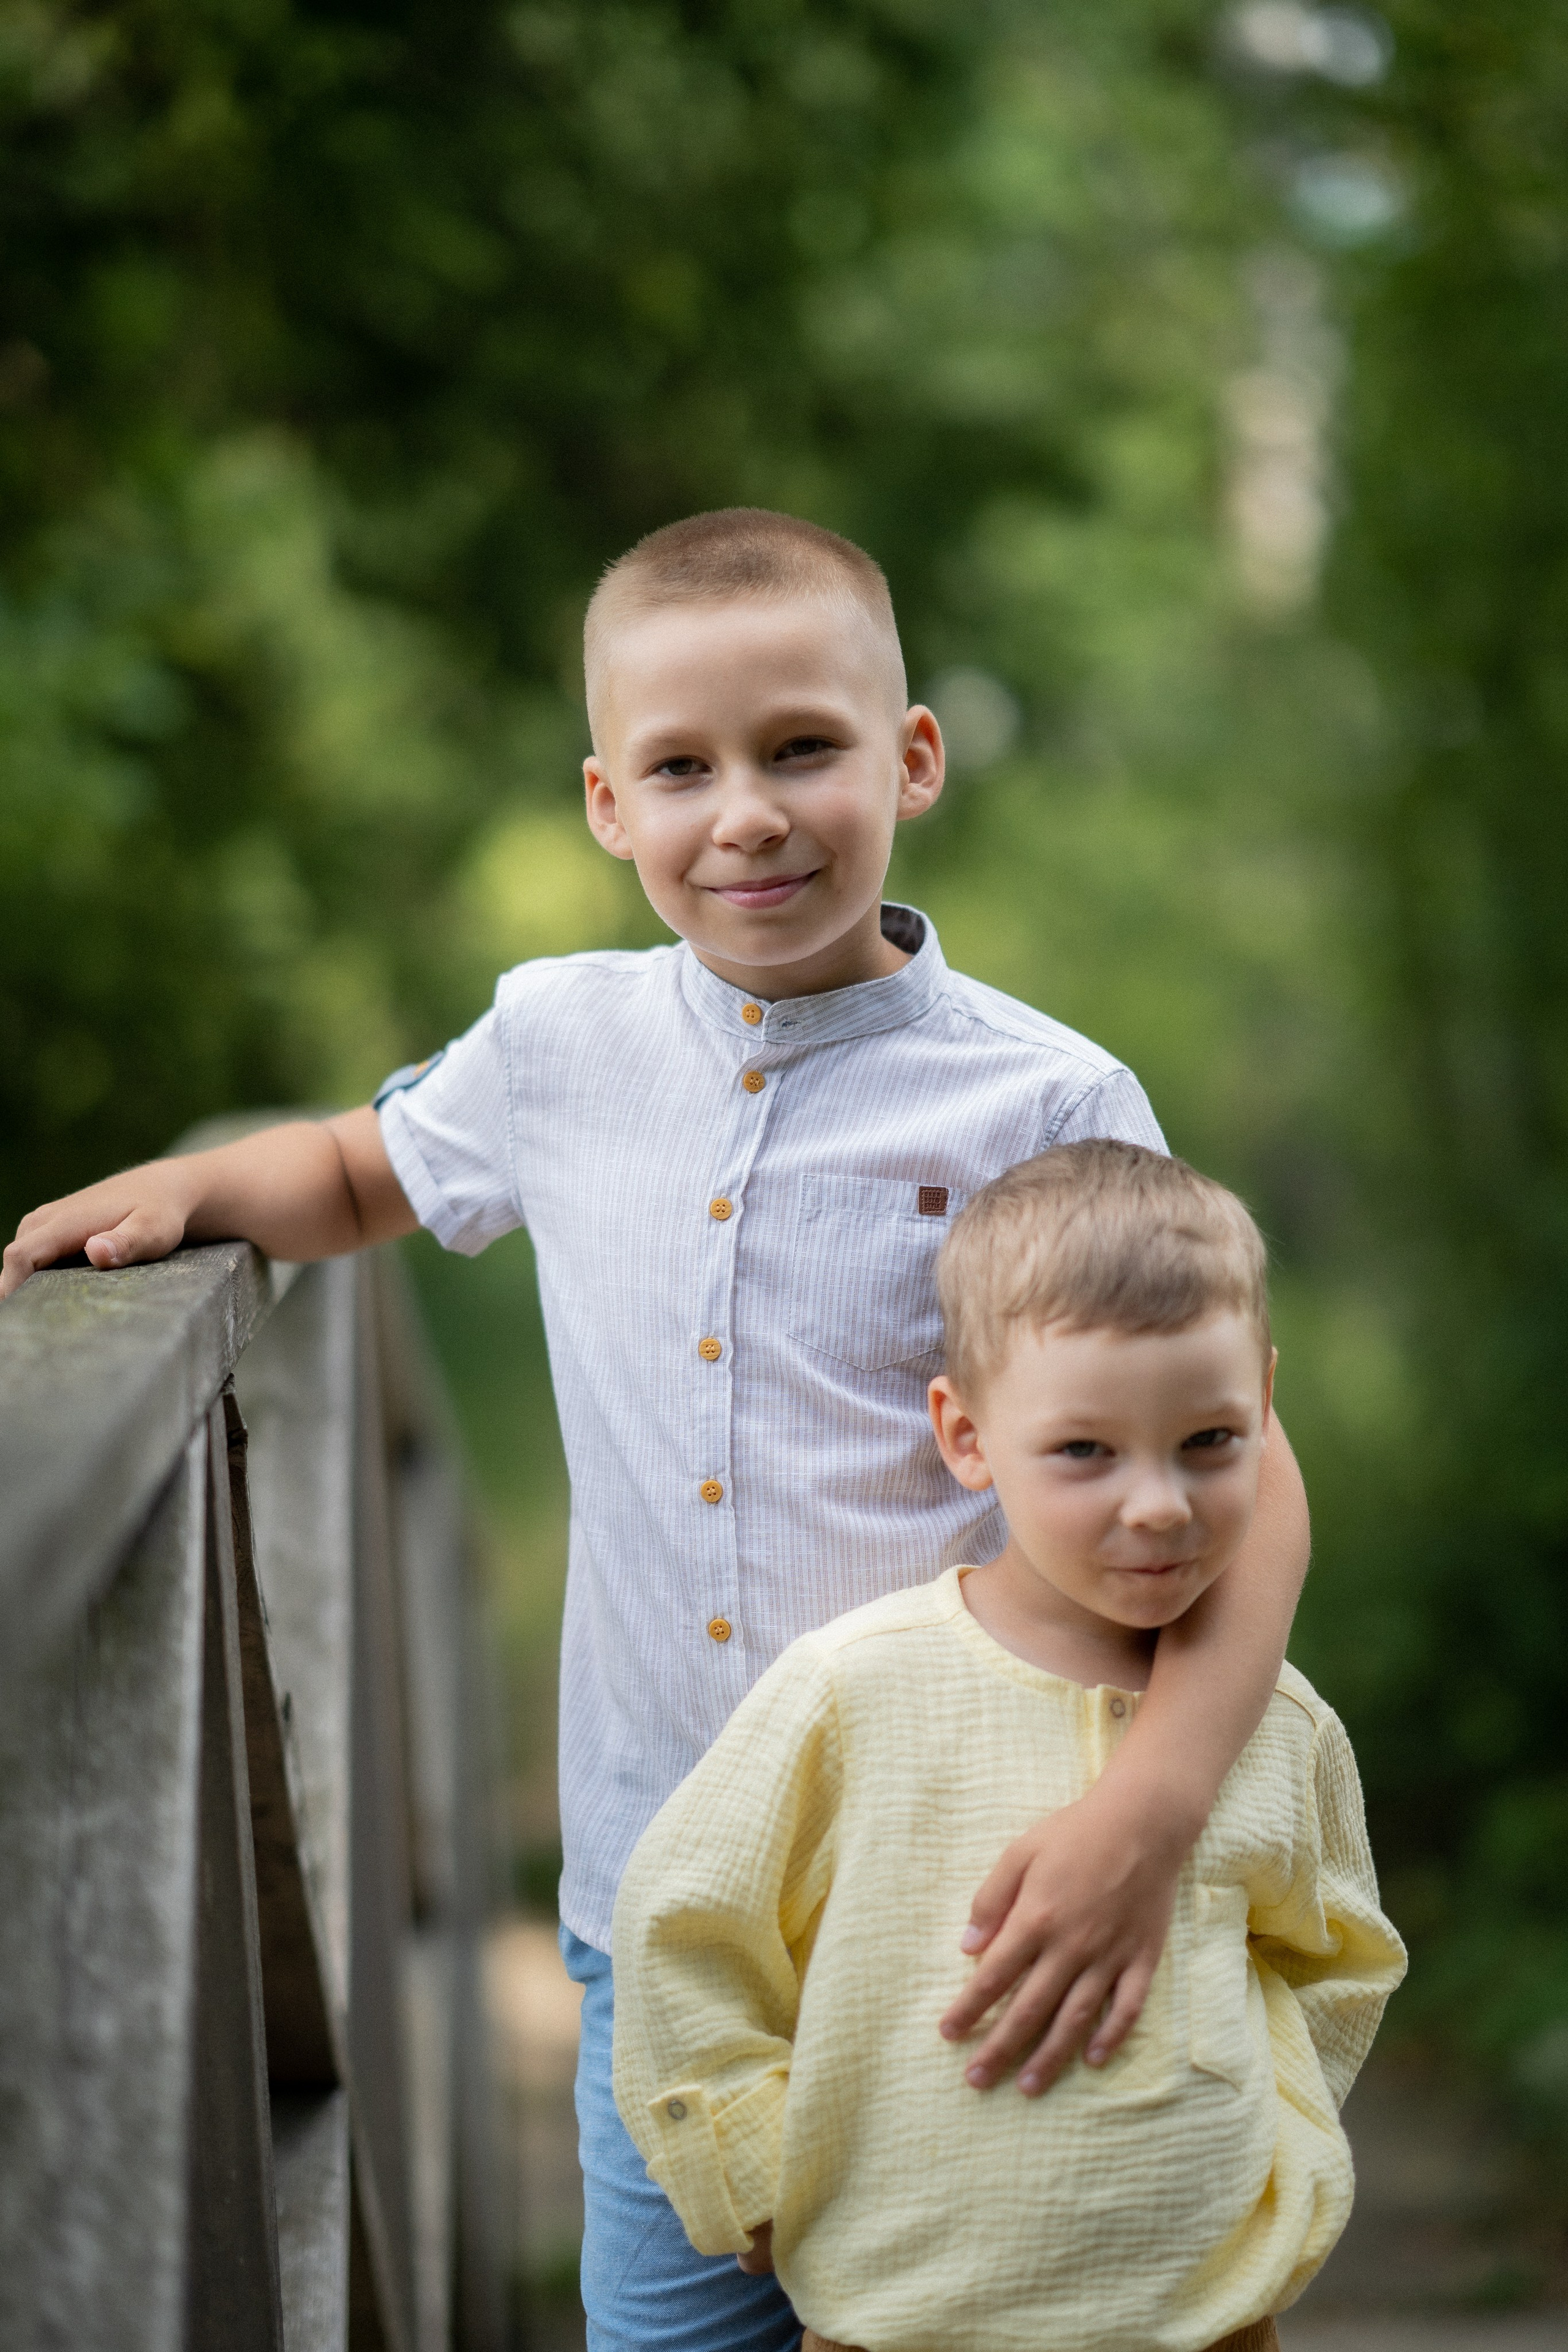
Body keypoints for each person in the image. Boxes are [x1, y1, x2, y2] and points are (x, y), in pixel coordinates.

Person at [2, 510, 1314, 2352]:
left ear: (910, 759)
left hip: (971, 1881)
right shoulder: (554, 1046)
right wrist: (187, 1195)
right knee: (679, 2329)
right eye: (682, 769)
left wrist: (1155, 1809)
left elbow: (1250, 1470)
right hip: (663, 1897)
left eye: (802, 749)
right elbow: (360, 1172)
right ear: (608, 805)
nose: (748, 814)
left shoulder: (1045, 1096)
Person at [612, 1141, 1405, 2352]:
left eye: (1207, 1441)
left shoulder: (1276, 1725)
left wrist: (1276, 2159)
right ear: (965, 1433)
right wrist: (758, 2173)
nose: (1156, 1504)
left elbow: (1335, 1956)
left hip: (1202, 2322)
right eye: (1084, 1452)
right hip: (894, 2318)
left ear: (1262, 1407)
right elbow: (685, 1929)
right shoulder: (854, 1691)